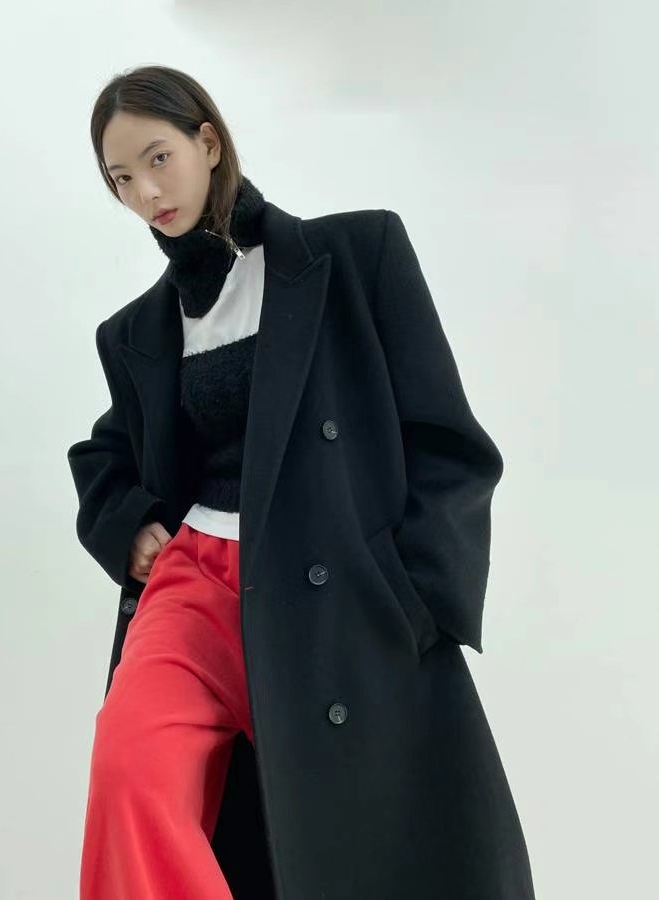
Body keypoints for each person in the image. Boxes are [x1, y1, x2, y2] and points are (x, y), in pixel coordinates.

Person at [68, 65, 536, 900]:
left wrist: (414, 599)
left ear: (208, 142)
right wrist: (128, 524)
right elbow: (106, 451)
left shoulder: (354, 256)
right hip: (194, 583)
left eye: (158, 158)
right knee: (129, 769)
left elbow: (449, 443)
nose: (146, 192)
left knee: (358, 848)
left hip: (329, 590)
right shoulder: (137, 330)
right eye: (121, 179)